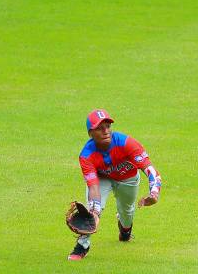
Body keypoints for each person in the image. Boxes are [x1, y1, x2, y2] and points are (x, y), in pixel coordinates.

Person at [68, 109, 162, 260]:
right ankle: (82, 245)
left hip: (128, 178)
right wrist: (95, 213)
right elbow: (93, 186)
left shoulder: (126, 143)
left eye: (108, 126)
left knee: (127, 211)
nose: (106, 131)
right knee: (89, 212)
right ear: (91, 133)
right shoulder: (86, 155)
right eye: (100, 128)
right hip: (102, 178)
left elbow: (150, 169)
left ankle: (125, 230)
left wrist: (154, 193)